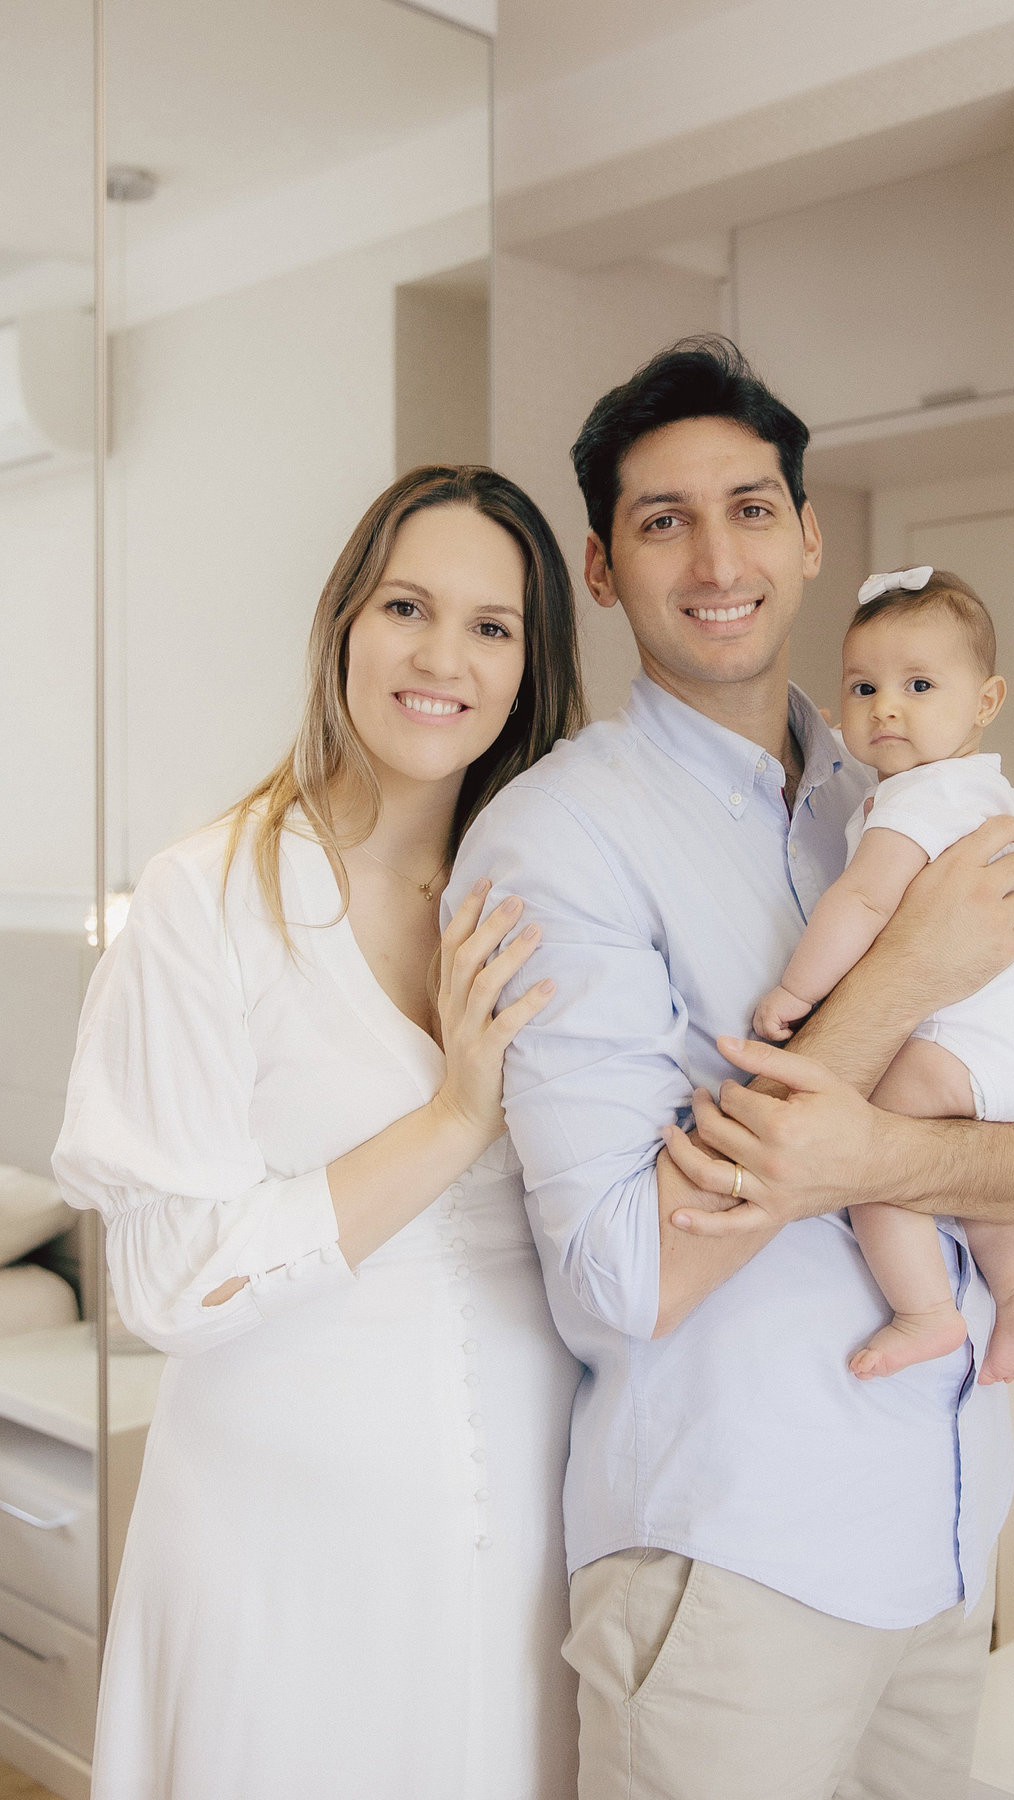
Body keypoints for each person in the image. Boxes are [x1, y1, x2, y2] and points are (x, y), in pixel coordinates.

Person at [445, 341, 1014, 1800]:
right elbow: (629, 1272)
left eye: (753, 507)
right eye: (661, 520)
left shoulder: (917, 798)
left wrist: (883, 1161)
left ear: (814, 538)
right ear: (603, 566)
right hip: (730, 1570)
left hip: (946, 1549)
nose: (716, 556)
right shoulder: (554, 841)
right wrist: (898, 982)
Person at [52, 467, 586, 1800]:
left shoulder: (545, 897)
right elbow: (169, 1282)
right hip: (284, 1553)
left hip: (529, 1536)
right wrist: (457, 1115)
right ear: (343, 623)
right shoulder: (208, 899)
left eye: (491, 626)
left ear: (530, 665)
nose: (442, 657)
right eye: (407, 605)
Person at [754, 565, 1014, 1384]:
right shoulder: (993, 789)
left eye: (919, 685)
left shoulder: (911, 802)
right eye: (864, 685)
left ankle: (925, 1311)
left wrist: (796, 993)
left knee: (875, 1148)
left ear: (984, 702)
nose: (886, 706)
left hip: (962, 1053)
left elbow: (862, 903)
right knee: (971, 1172)